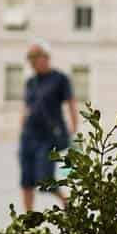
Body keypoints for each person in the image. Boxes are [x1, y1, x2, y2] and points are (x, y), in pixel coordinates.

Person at [18, 39, 77, 213]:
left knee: (45, 180)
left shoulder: (60, 79)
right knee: (26, 180)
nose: (33, 63)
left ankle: (67, 202)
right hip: (28, 136)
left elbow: (71, 103)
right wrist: (21, 126)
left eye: (36, 58)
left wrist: (74, 128)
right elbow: (26, 106)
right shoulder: (31, 81)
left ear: (45, 58)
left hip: (48, 137)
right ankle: (28, 219)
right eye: (31, 60)